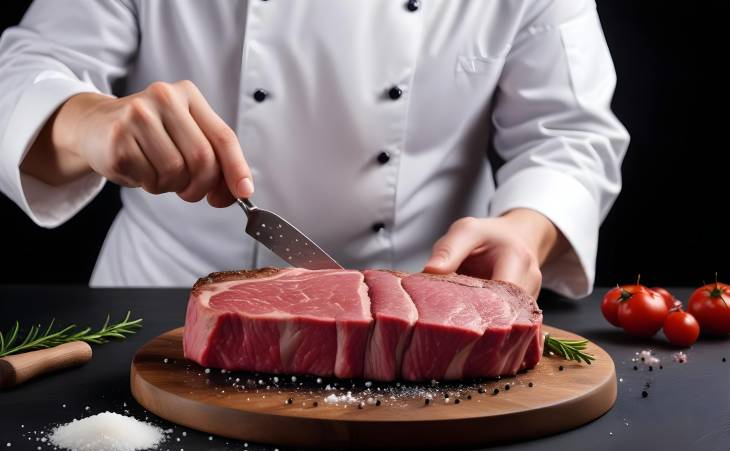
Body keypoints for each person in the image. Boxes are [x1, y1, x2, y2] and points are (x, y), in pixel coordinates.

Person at [0, 0, 628, 298]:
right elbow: (25, 71)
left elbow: (570, 133)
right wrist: (87, 120)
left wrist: (526, 230)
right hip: (162, 302)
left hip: (425, 305)